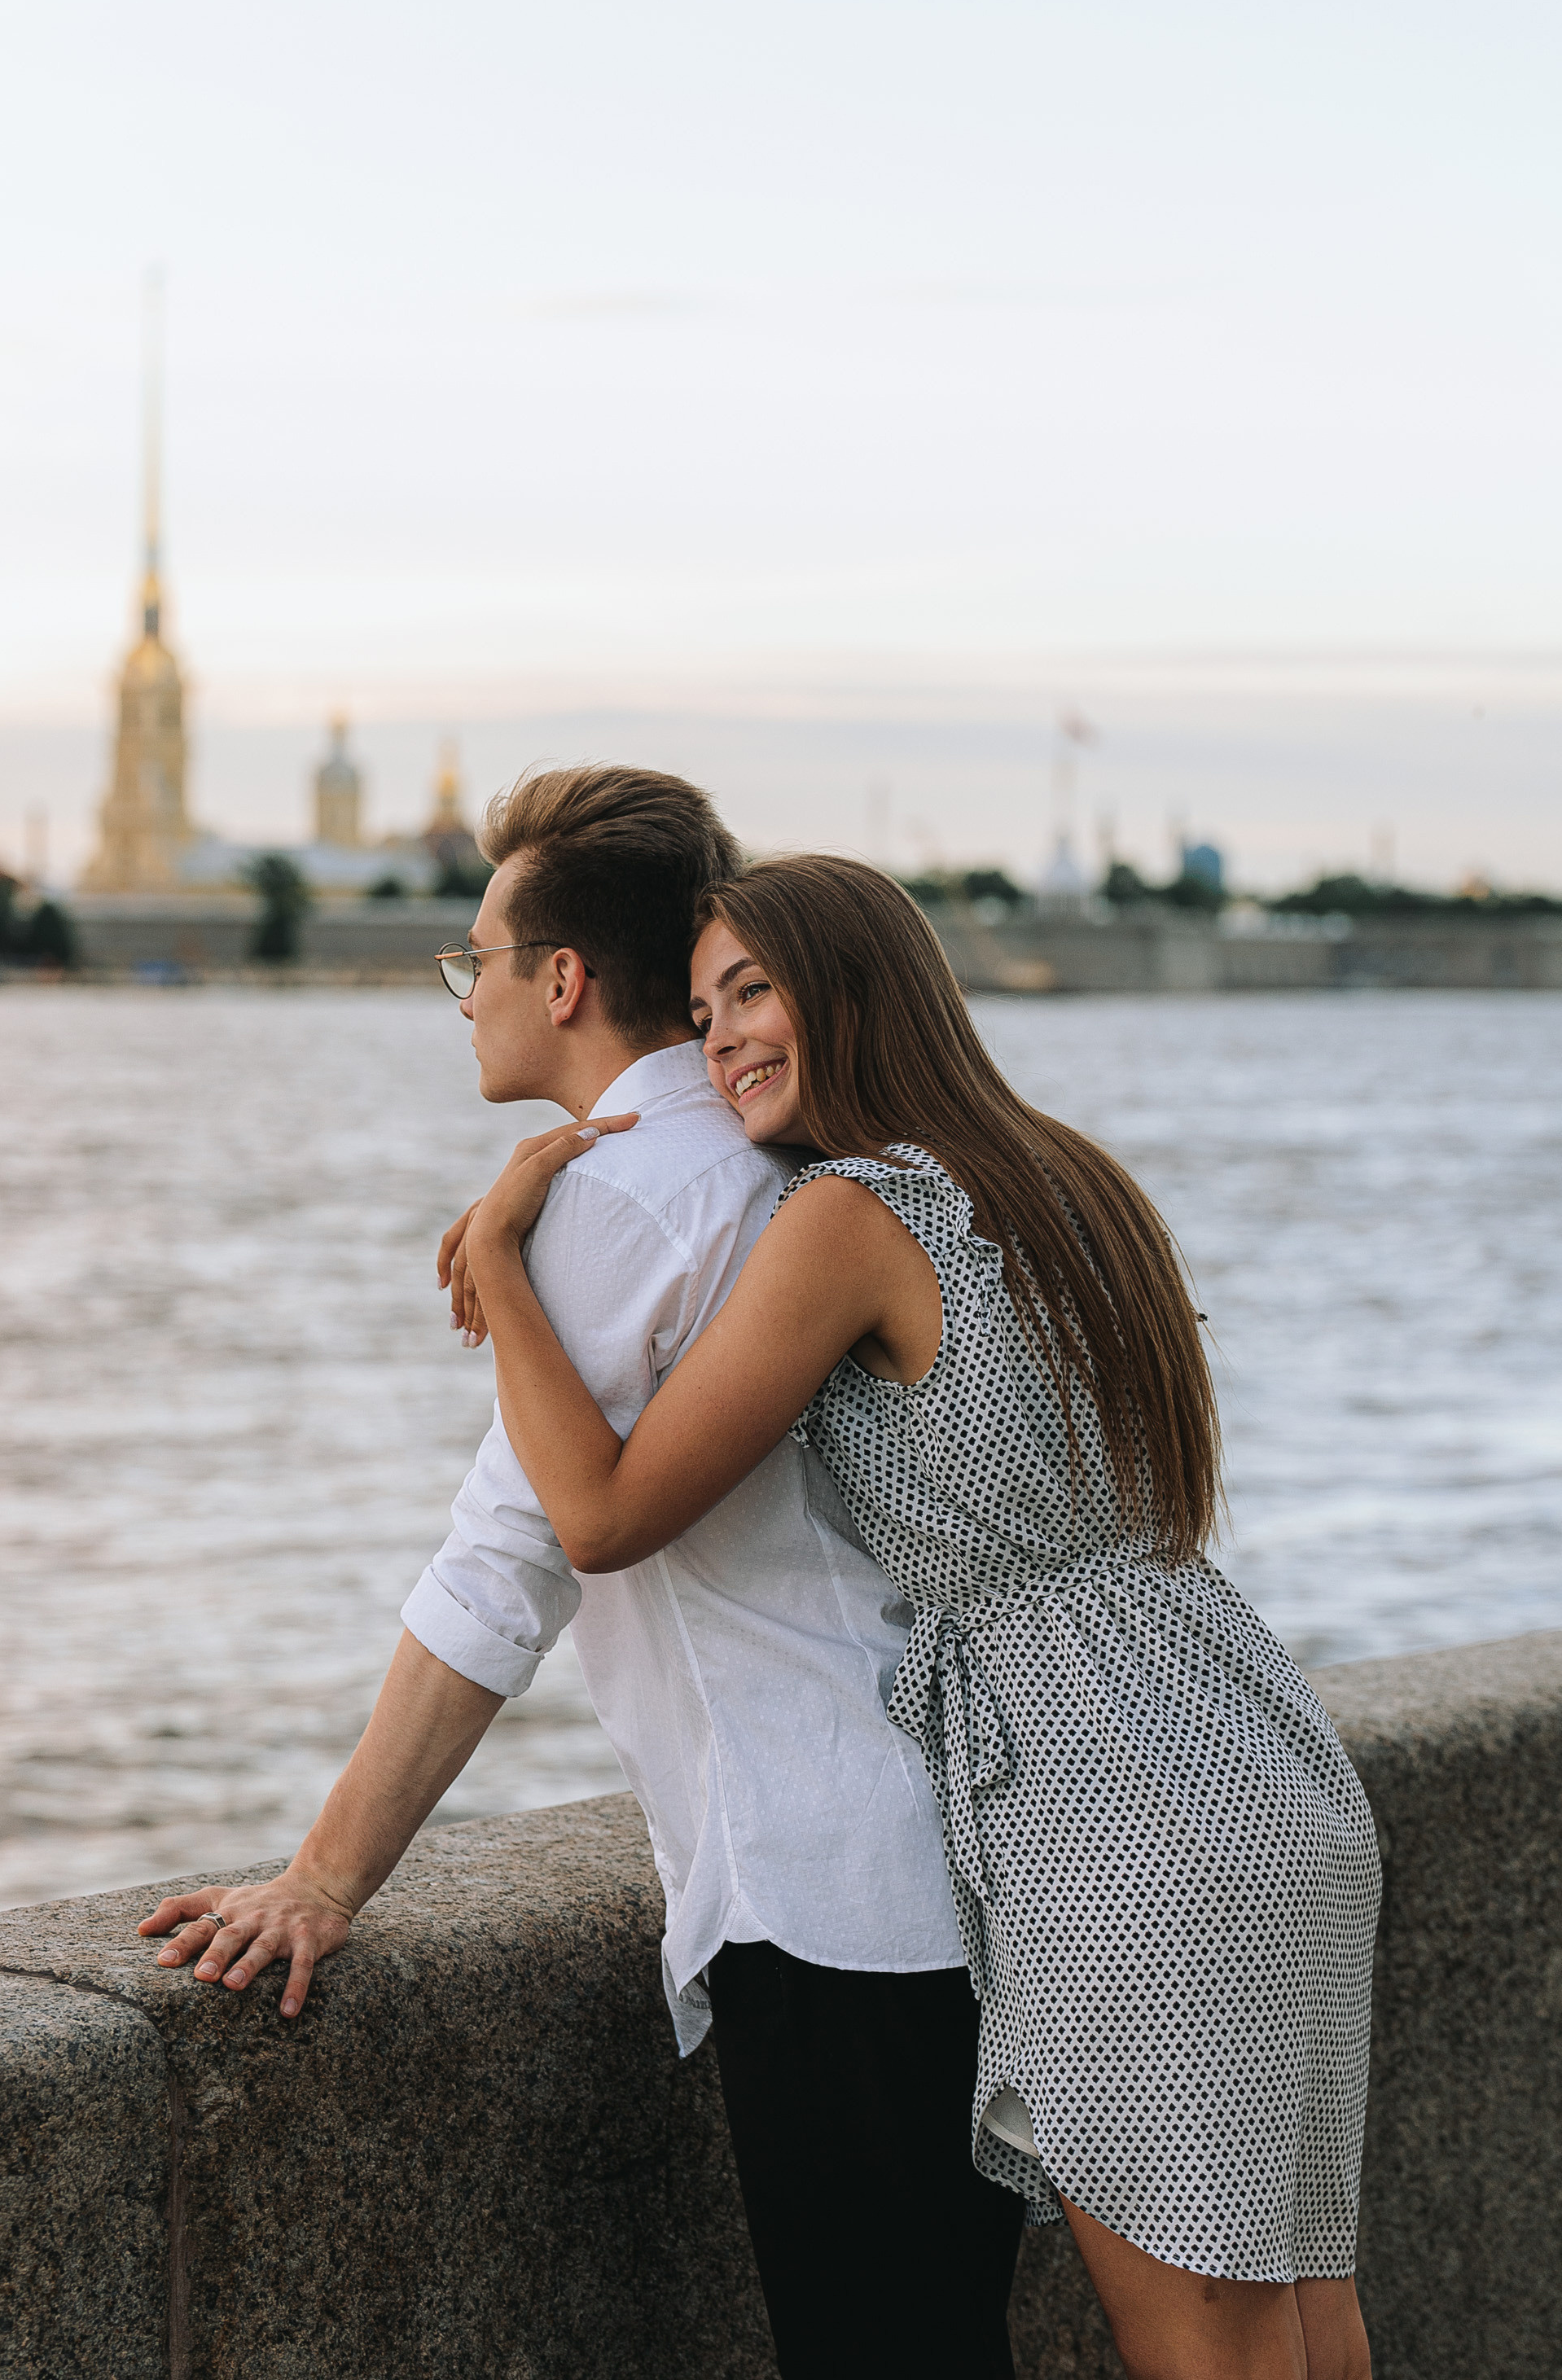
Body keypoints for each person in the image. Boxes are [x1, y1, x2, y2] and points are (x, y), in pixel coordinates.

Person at [447, 853, 1383, 2380]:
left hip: (1108, 1809)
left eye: (755, 991)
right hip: (1254, 1745)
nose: (724, 1038)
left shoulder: (845, 1216)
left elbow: (602, 1518)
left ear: (859, 985)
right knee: (1304, 2322)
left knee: (1205, 2356)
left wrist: (503, 1262)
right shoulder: (1066, 1172)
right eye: (697, 1011)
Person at [138, 769, 1025, 2380]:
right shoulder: (782, 1150)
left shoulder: (614, 1194)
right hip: (946, 1863)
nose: (461, 995)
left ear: (559, 980)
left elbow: (509, 1565)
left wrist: (323, 1879)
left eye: (471, 959)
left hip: (823, 1892)